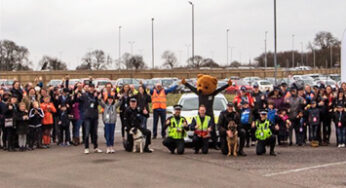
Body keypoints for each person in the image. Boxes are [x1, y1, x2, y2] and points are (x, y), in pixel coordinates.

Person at [77, 84, 102, 154]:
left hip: (94, 116)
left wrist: (98, 98)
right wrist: (77, 95)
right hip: (87, 117)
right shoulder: (84, 95)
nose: (91, 89)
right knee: (87, 133)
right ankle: (86, 147)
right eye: (90, 88)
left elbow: (97, 104)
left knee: (95, 133)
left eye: (92, 88)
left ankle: (95, 147)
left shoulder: (95, 95)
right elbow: (78, 100)